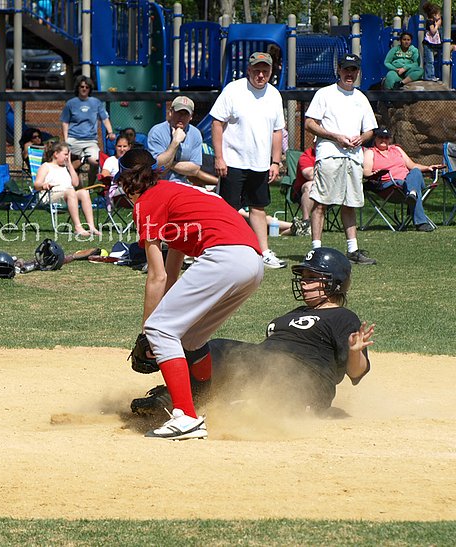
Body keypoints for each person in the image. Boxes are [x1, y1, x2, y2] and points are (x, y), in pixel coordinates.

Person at [118, 148, 264, 440]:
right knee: (190, 338)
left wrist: (148, 332)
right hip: (253, 261)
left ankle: (185, 417)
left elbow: (157, 276)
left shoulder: (147, 201)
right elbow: (172, 274)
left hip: (224, 256)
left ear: (126, 183)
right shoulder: (178, 192)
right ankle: (201, 404)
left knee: (160, 329)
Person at [131, 247, 374, 416]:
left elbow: (356, 374)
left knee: (244, 362)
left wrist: (355, 352)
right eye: (303, 276)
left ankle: (241, 408)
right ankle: (181, 400)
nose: (304, 282)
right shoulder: (292, 314)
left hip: (304, 383)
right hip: (265, 365)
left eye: (313, 277)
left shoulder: (343, 317)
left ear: (334, 283)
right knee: (210, 348)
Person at [210, 52, 287, 269]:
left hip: (261, 163)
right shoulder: (233, 90)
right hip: (233, 161)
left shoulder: (274, 95)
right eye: (256, 70)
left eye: (265, 70)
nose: (261, 74)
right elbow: (217, 123)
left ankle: (263, 252)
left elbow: (277, 130)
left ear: (271, 72)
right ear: (248, 70)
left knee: (258, 207)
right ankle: (225, 251)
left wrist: (275, 161)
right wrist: (219, 158)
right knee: (228, 209)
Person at [304, 53, 378, 265]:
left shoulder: (361, 98)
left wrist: (361, 138)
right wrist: (335, 136)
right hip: (329, 155)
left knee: (351, 203)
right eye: (346, 69)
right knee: (321, 203)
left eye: (353, 70)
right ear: (338, 70)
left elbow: (370, 130)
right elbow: (310, 123)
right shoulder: (324, 94)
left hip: (353, 157)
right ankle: (316, 250)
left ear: (357, 72)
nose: (349, 73)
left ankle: (353, 250)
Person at [363, 127, 442, 232]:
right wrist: (374, 173)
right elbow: (366, 172)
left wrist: (428, 168)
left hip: (407, 183)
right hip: (390, 186)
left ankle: (412, 193)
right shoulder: (370, 152)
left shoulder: (396, 149)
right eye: (380, 137)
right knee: (408, 183)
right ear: (375, 139)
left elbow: (412, 165)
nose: (383, 139)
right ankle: (420, 221)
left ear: (389, 139)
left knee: (416, 172)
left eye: (386, 137)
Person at [33, 140, 101, 236]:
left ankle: (91, 226)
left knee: (84, 192)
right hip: (51, 195)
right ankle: (78, 227)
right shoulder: (46, 166)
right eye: (65, 154)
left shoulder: (65, 168)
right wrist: (44, 185)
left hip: (67, 195)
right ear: (56, 154)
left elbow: (76, 183)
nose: (67, 157)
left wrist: (69, 165)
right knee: (70, 192)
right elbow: (36, 185)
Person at [147, 96, 216, 186]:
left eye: (185, 114)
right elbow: (158, 168)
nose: (181, 117)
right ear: (171, 112)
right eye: (178, 112)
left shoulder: (195, 133)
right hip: (159, 184)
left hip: (183, 185)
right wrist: (175, 142)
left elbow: (194, 169)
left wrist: (170, 164)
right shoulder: (157, 132)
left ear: (191, 116)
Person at [60, 76, 115, 172]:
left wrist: (110, 132)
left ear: (90, 89)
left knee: (96, 161)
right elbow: (65, 122)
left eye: (87, 87)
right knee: (71, 164)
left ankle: (91, 185)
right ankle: (78, 186)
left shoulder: (96, 103)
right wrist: (66, 140)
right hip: (74, 139)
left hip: (90, 140)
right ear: (78, 88)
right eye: (82, 86)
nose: (84, 89)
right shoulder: (71, 103)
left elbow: (105, 119)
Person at [292, 144, 316, 236]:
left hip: (331, 191)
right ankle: (306, 222)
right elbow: (309, 175)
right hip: (303, 193)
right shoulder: (308, 155)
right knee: (310, 185)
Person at [423, 2, 444, 81]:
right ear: (433, 15)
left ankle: (431, 75)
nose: (439, 16)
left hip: (433, 43)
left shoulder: (433, 22)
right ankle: (429, 76)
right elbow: (433, 31)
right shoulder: (430, 22)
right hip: (428, 44)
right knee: (430, 61)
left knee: (431, 60)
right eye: (438, 15)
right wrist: (437, 25)